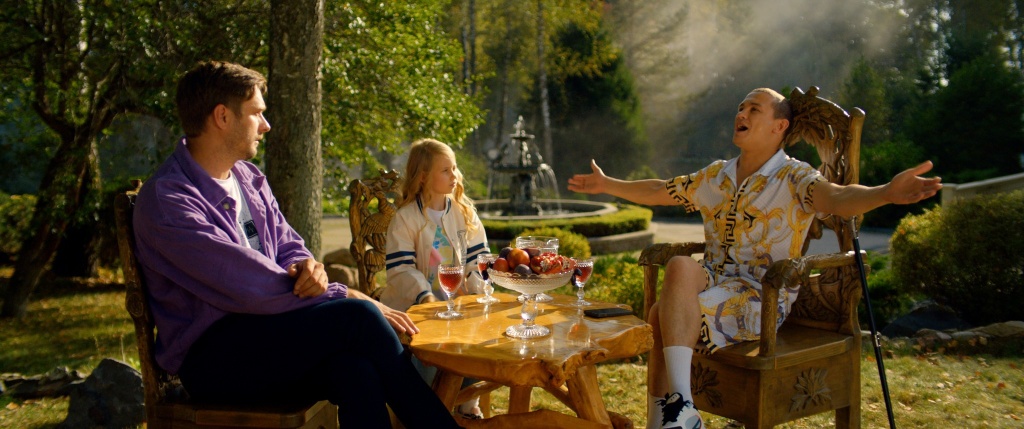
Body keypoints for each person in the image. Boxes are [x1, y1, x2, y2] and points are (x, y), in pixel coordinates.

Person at [567, 87, 942, 429]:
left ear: (779, 126)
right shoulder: (717, 175)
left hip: (761, 296)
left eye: (754, 109)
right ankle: (677, 413)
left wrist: (886, 192)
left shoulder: (794, 177)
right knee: (680, 266)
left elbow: (839, 198)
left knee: (657, 314)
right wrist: (608, 185)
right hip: (714, 281)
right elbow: (659, 190)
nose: (741, 113)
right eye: (741, 107)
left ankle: (671, 414)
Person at [132, 61, 460, 429]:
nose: (266, 125)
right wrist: (344, 293)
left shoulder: (247, 177)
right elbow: (247, 284)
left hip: (269, 333)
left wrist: (309, 267)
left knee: (355, 370)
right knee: (360, 316)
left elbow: (288, 245)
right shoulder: (169, 200)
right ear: (222, 116)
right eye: (256, 113)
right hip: (214, 358)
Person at [385, 138, 489, 418]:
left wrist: (474, 290)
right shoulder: (405, 219)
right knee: (429, 342)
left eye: (454, 168)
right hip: (416, 307)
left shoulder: (464, 213)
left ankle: (467, 404)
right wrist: (426, 297)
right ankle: (422, 409)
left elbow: (478, 260)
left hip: (458, 305)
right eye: (445, 170)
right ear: (422, 176)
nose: (454, 175)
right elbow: (401, 270)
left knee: (478, 336)